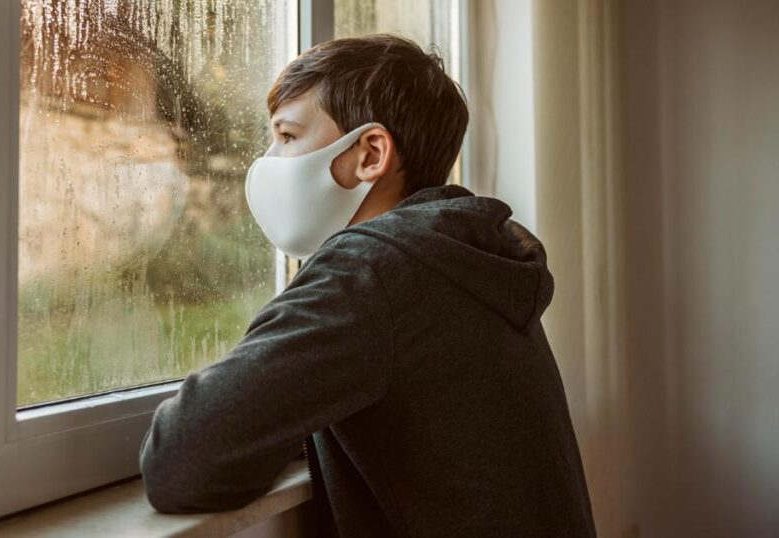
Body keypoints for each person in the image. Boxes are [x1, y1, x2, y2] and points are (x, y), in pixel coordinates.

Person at [139, 34, 596, 537]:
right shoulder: (460, 257)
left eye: (287, 136)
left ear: (370, 154)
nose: (267, 161)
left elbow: (180, 460)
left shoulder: (374, 268)